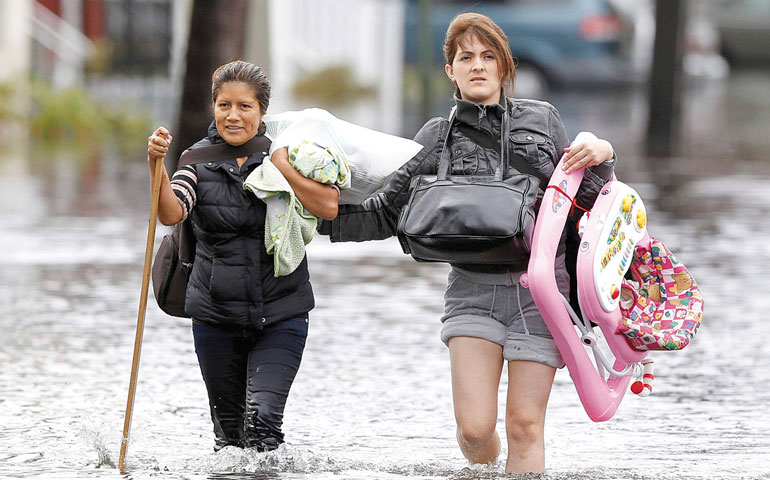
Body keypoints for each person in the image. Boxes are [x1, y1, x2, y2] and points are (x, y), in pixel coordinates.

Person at [320, 13, 616, 474]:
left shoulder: (542, 120)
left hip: (541, 293)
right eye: (466, 57)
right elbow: (385, 213)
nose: (477, 66)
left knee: (524, 425)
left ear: (504, 67)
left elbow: (590, 200)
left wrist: (604, 154)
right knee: (475, 431)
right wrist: (309, 218)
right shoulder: (435, 138)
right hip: (471, 293)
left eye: (487, 57)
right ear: (450, 71)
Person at [146, 60, 339, 452]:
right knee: (230, 439)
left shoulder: (286, 155)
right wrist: (156, 166)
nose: (233, 116)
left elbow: (329, 206)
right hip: (215, 316)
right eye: (224, 106)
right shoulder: (195, 162)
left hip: (282, 311)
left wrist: (284, 166)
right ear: (214, 107)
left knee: (264, 424)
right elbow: (171, 212)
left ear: (262, 111)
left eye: (244, 107)